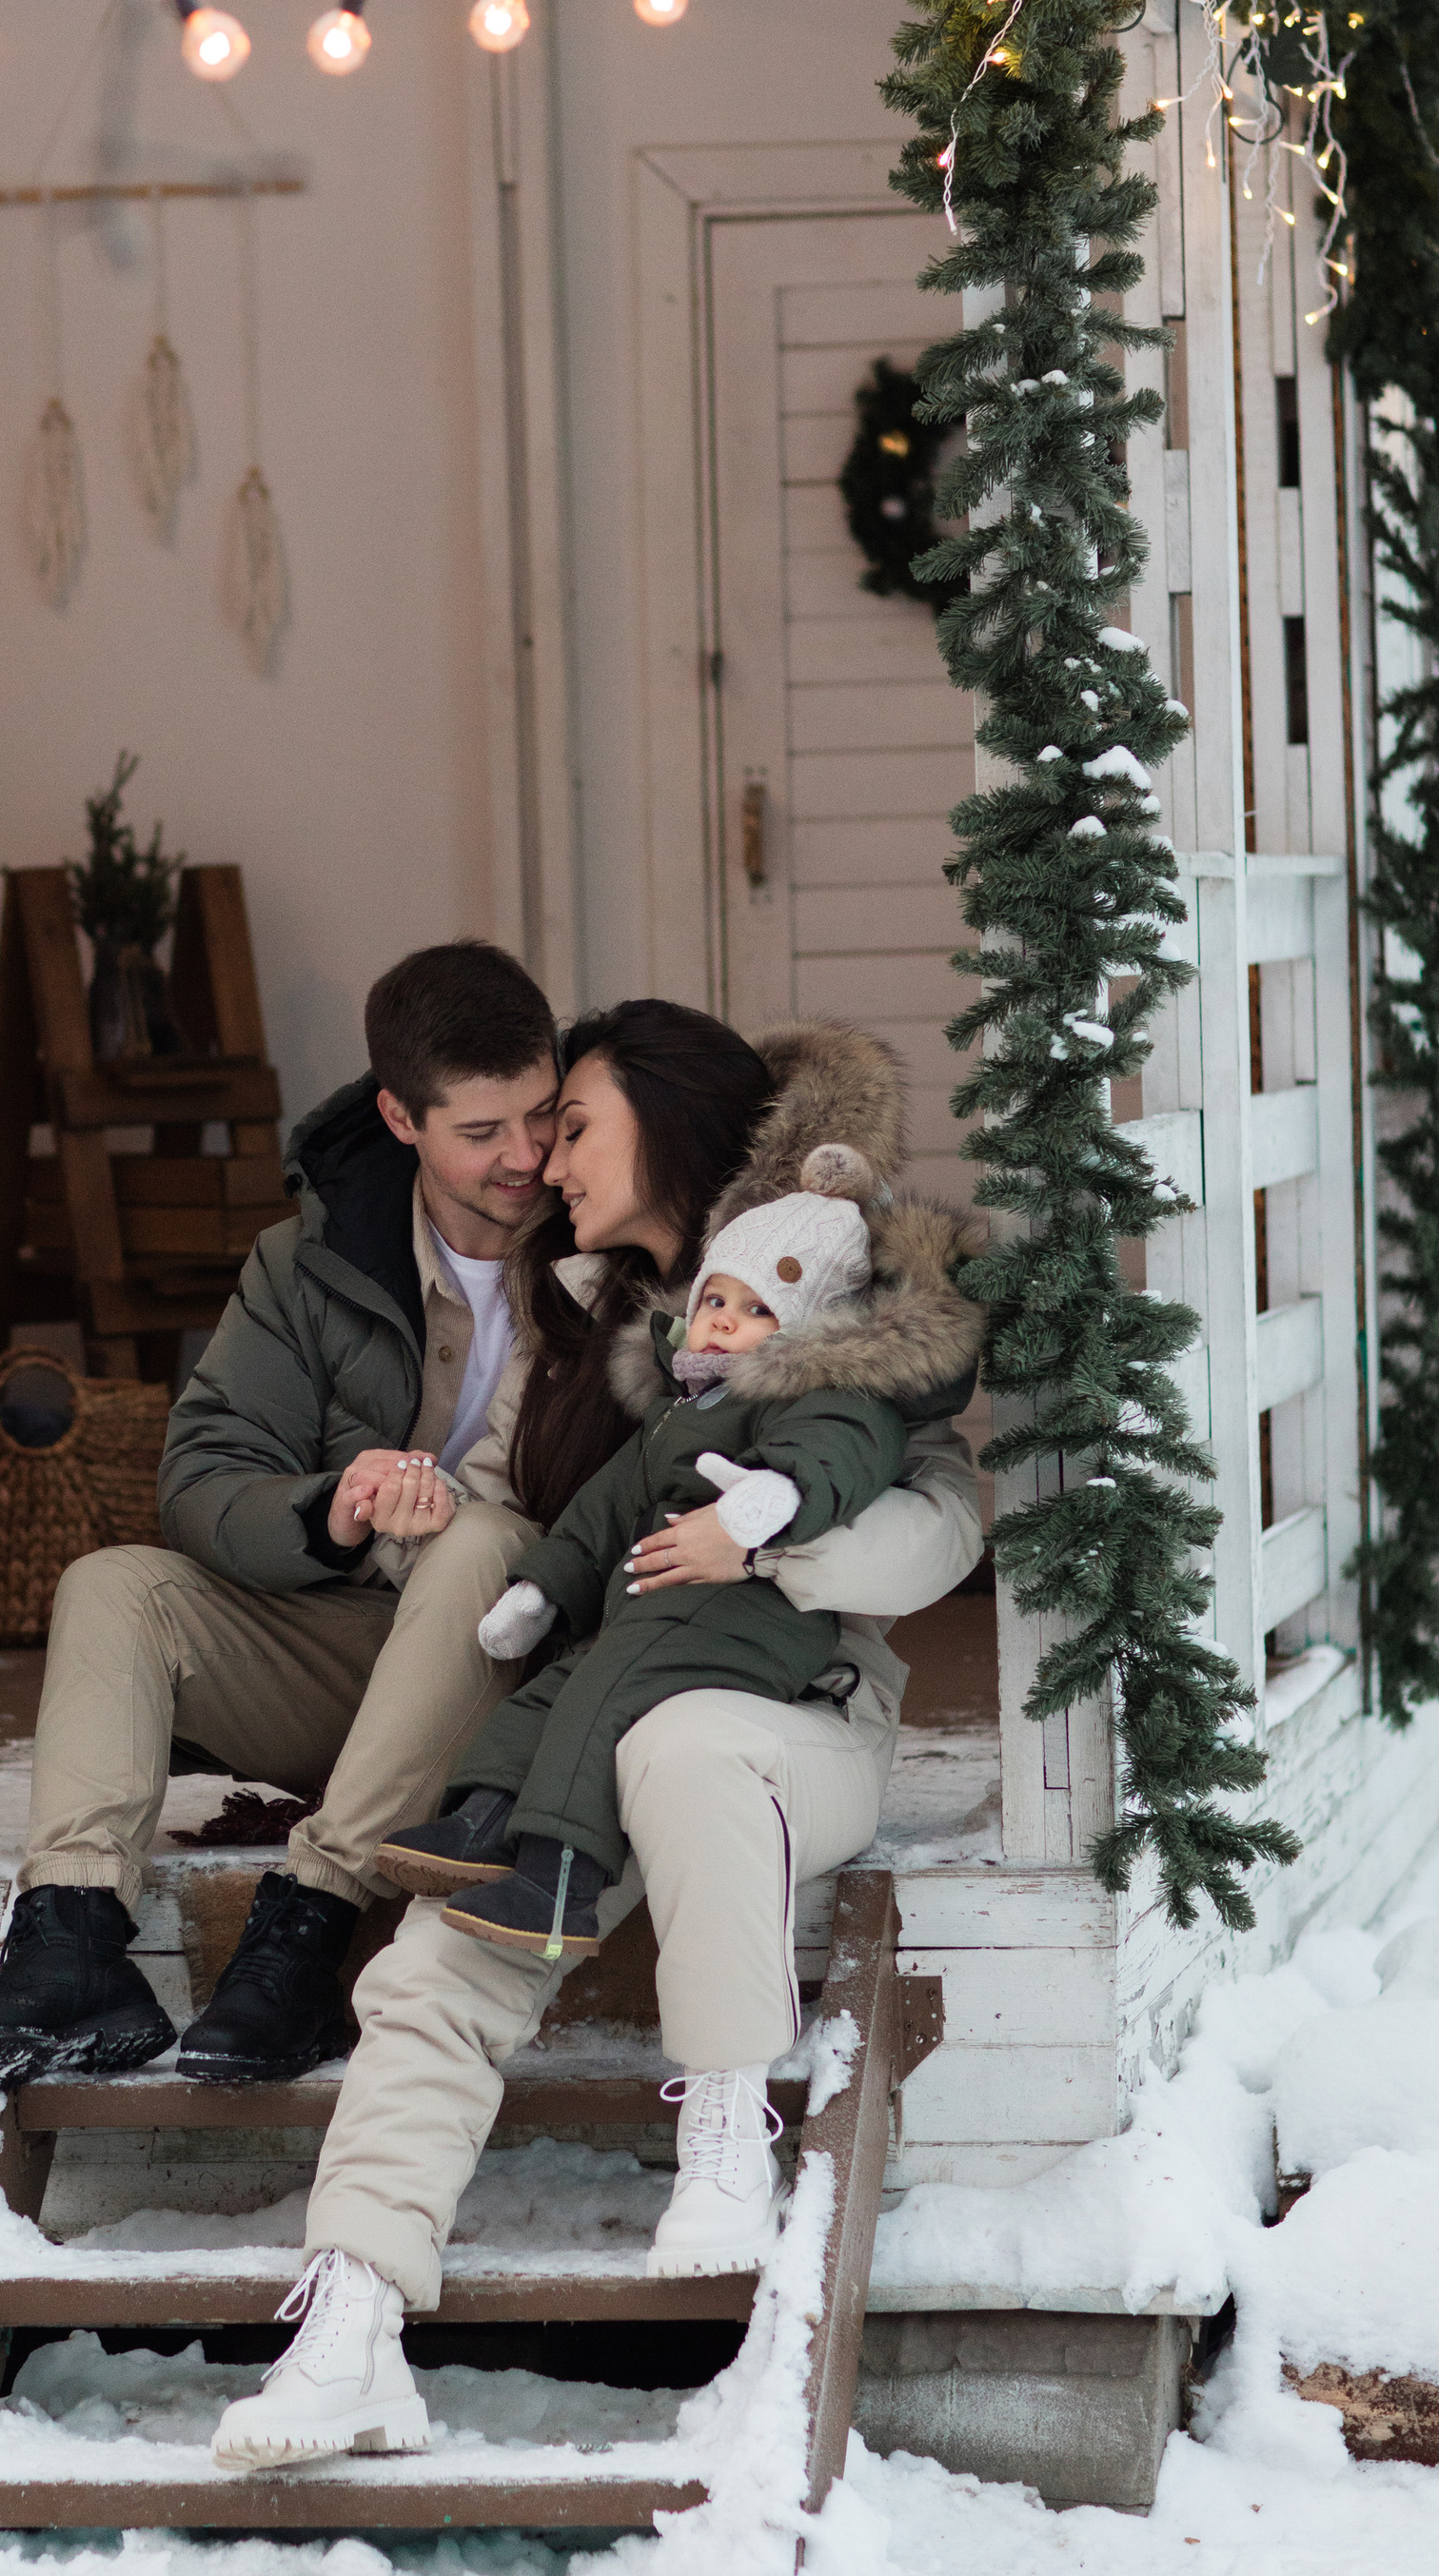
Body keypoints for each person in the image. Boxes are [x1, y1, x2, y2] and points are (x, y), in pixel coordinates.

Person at [208, 1003, 984, 2476]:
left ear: (668, 1131)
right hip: (591, 1700)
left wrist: (763, 1547)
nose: (547, 1160)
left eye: (575, 1124)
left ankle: (728, 2145)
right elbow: (526, 1511)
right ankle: (350, 2321)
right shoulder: (583, 1307)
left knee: (683, 1748)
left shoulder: (833, 1287)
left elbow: (940, 1517)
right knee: (435, 1963)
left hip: (783, 1707)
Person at [0, 938, 564, 2092]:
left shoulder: (607, 1236)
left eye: (543, 1115)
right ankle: (69, 1944)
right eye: (481, 1131)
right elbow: (204, 1478)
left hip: (528, 1681)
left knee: (482, 1542)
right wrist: (331, 1510)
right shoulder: (310, 1261)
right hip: (357, 1657)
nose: (527, 1157)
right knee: (113, 1585)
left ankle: (309, 1933)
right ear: (400, 1119)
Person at [383, 1172, 982, 1963]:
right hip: (653, 1609)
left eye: (759, 1309)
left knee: (602, 1699)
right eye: (716, 1299)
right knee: (555, 1686)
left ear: (811, 1329)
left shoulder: (825, 1395)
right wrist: (544, 1588)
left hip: (746, 1619)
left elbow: (839, 1455)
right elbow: (604, 1509)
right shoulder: (679, 1410)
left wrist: (771, 1499)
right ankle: (480, 1821)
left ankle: (558, 1886)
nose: (725, 1320)